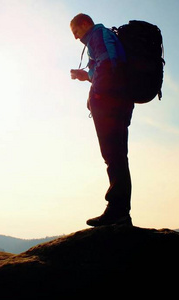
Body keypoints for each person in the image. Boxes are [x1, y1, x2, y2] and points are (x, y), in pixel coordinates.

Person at [70, 13, 134, 227]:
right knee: (116, 155)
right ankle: (120, 211)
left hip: (109, 103)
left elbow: (107, 66)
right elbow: (105, 66)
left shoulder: (97, 35)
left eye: (76, 31)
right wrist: (86, 76)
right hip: (119, 101)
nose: (75, 37)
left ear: (85, 24)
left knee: (113, 155)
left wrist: (97, 95)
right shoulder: (103, 37)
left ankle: (117, 211)